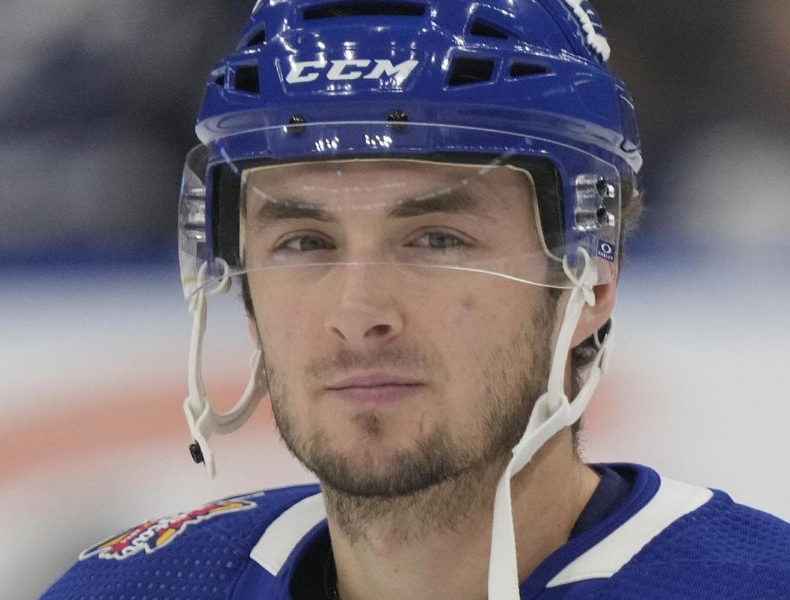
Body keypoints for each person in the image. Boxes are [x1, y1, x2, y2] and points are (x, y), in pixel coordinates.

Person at [42, 1, 790, 598]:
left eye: (436, 239)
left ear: (590, 281)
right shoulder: (134, 587)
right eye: (305, 242)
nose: (358, 311)